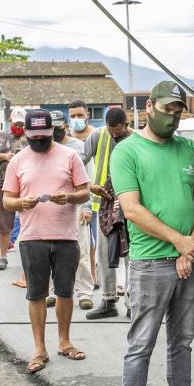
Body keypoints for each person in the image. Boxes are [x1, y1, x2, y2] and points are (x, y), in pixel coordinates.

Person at [110, 81, 194, 386]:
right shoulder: (127, 151)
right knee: (141, 343)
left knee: (182, 339)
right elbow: (132, 209)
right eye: (166, 109)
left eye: (178, 111)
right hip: (150, 262)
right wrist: (180, 242)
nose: (172, 116)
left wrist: (191, 245)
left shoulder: (190, 149)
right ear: (149, 107)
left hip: (188, 258)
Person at [2, 109, 91, 373]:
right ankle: (39, 349)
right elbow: (7, 201)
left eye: (44, 135)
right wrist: (22, 202)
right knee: (37, 294)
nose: (39, 140)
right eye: (34, 136)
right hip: (32, 238)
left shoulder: (70, 156)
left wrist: (69, 197)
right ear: (26, 133)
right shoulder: (18, 160)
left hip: (66, 237)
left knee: (65, 292)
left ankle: (64, 342)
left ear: (53, 131)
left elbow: (85, 192)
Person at [83, 107, 133, 320]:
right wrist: (88, 185)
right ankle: (108, 300)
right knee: (104, 254)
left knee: (132, 255)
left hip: (130, 204)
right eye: (112, 132)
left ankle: (132, 303)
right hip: (104, 205)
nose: (115, 136)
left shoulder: (137, 139)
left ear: (126, 125)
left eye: (118, 132)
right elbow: (79, 161)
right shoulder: (98, 135)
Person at [50, 110, 96, 310]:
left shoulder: (79, 148)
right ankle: (53, 291)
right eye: (51, 127)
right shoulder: (43, 147)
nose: (54, 131)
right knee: (52, 252)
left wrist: (87, 207)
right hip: (51, 207)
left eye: (58, 127)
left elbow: (89, 179)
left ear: (66, 126)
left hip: (77, 205)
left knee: (82, 251)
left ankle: (85, 292)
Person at [0, 107, 28, 272]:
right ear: (10, 121)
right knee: (4, 222)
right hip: (4, 184)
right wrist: (5, 156)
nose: (19, 127)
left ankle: (28, 257)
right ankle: (3, 256)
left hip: (26, 185)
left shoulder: (31, 136)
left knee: (29, 220)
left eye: (22, 124)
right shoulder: (1, 135)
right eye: (16, 123)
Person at [69, 100, 98, 285]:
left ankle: (94, 275)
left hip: (97, 192)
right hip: (78, 196)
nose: (76, 119)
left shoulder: (97, 135)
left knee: (95, 239)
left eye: (80, 115)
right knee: (81, 239)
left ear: (87, 114)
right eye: (72, 116)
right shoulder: (67, 138)